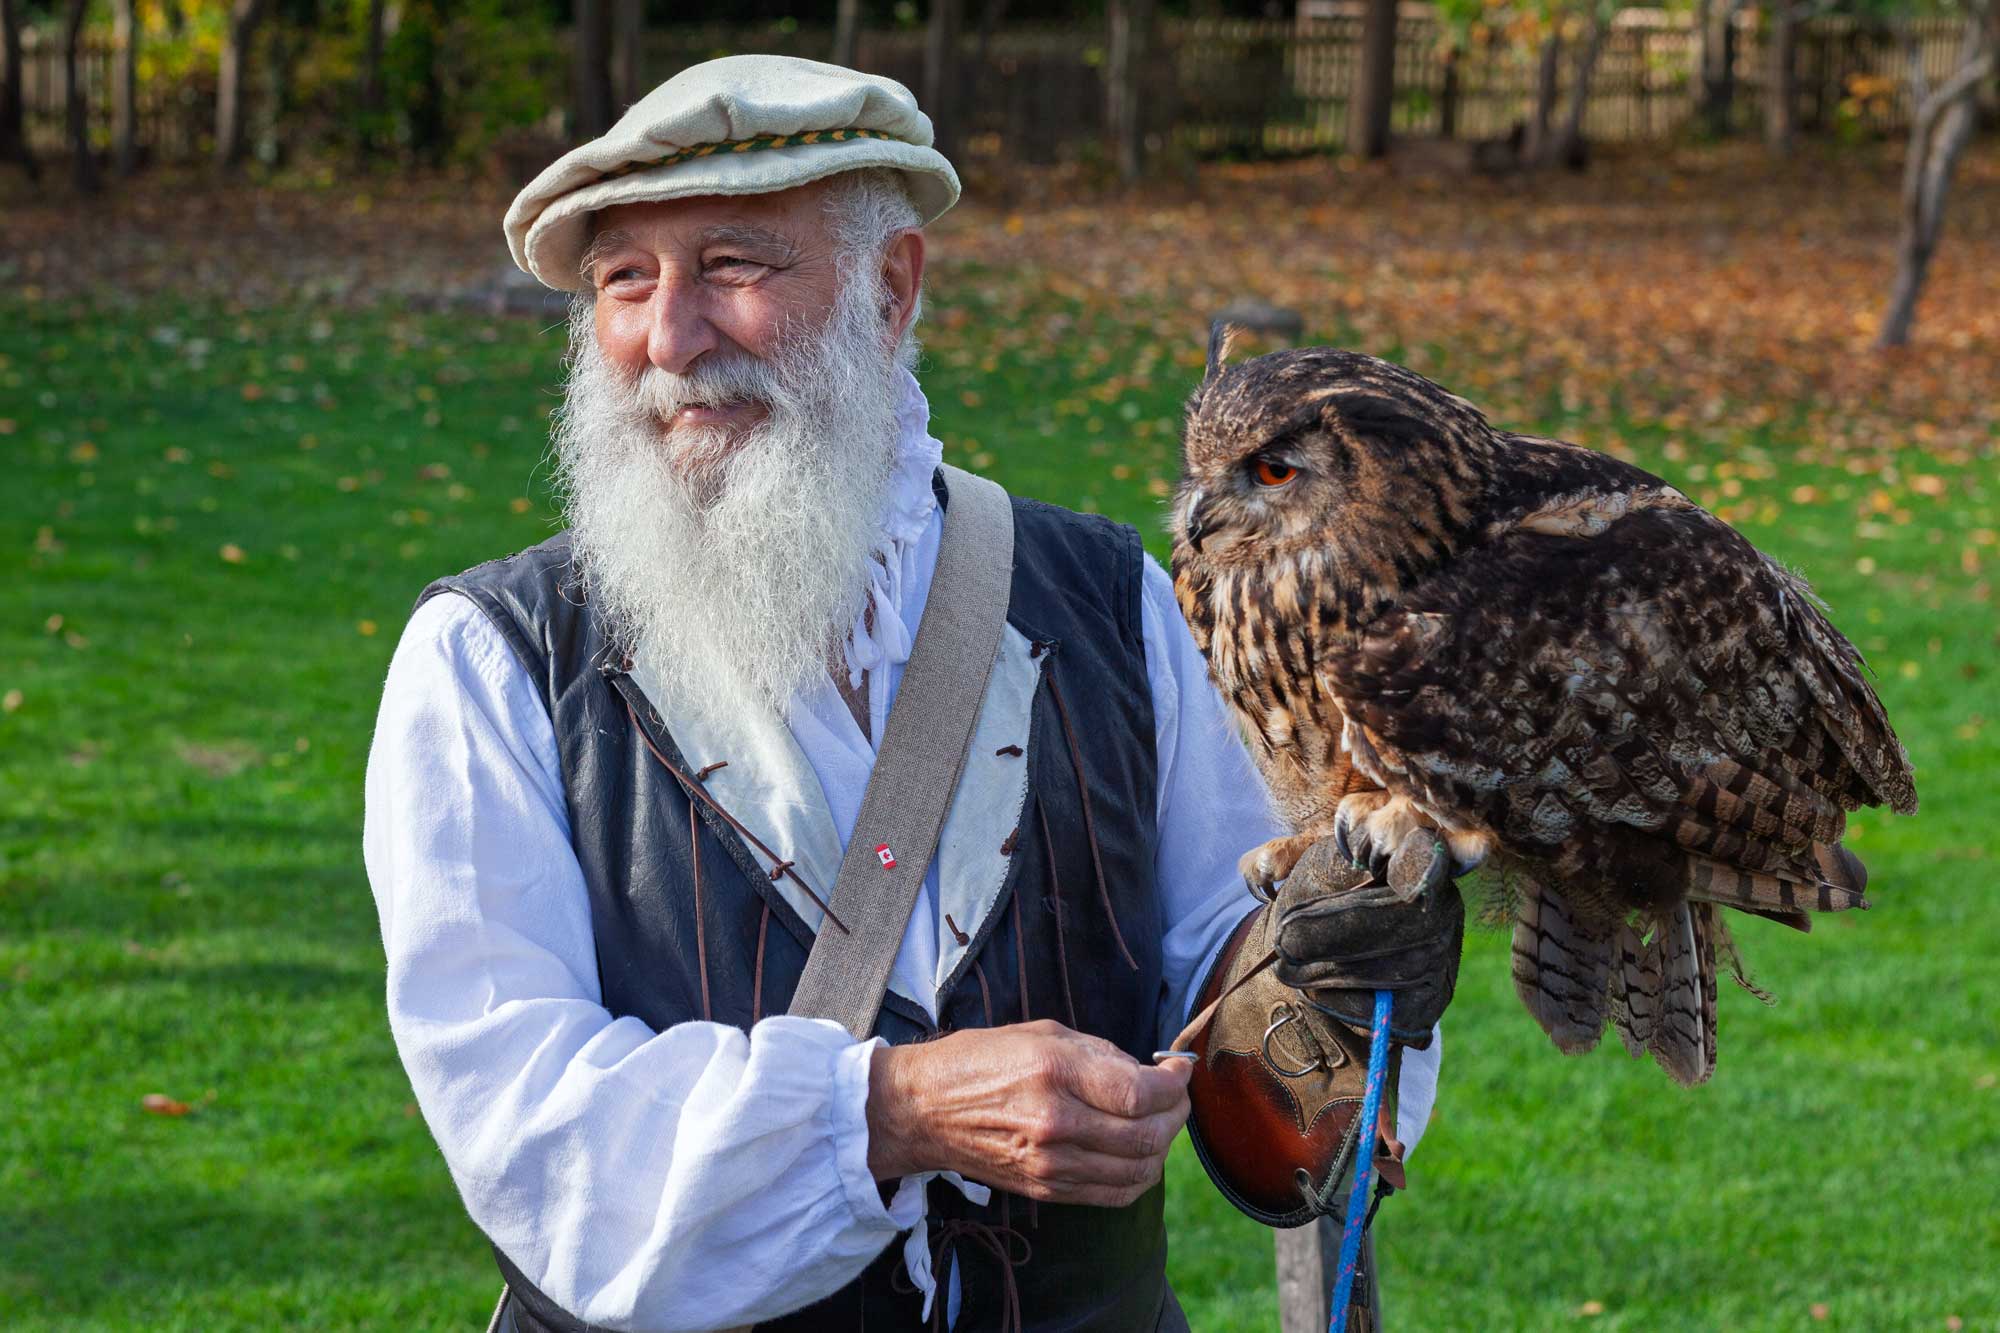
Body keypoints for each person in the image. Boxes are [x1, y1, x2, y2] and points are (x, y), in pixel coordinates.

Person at [363, 55, 1459, 1333]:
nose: (669, 337)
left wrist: (1346, 961)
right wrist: (888, 1111)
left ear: (889, 289)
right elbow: (526, 1121)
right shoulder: (488, 664)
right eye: (624, 280)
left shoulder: (1115, 603)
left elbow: (1239, 984)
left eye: (732, 264)